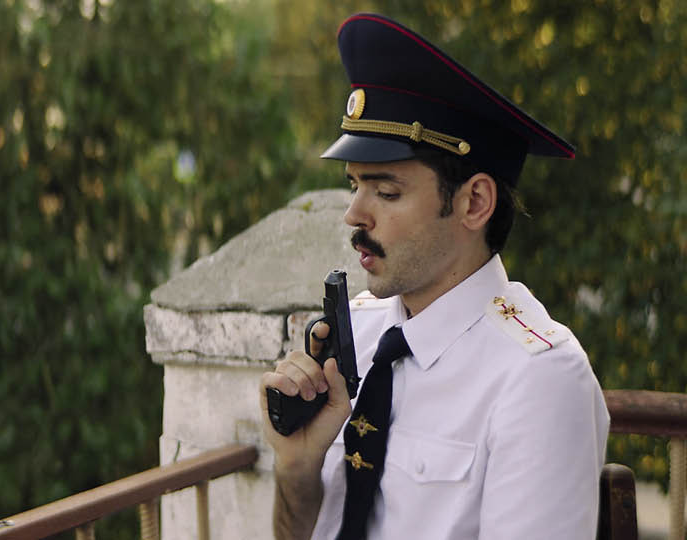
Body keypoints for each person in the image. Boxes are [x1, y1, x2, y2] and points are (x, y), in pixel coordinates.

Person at [259, 13, 609, 540]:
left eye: (387, 191)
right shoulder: (358, 335)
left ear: (475, 202)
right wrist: (296, 469)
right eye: (354, 185)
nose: (354, 214)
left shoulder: (539, 379)